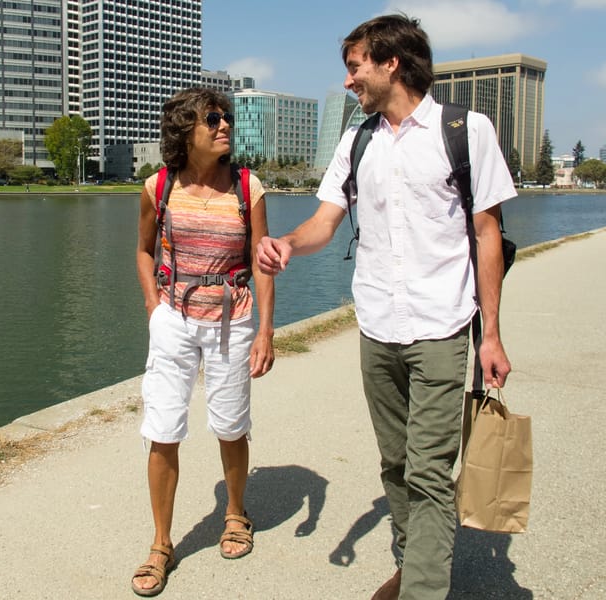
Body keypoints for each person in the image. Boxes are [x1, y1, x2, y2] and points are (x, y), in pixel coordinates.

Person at [256, 14, 515, 600]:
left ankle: (423, 589)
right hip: (376, 326)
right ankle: (412, 558)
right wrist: (288, 244)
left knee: (428, 469)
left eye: (355, 67)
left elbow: (488, 233)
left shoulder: (466, 130)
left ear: (390, 62)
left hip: (442, 327)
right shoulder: (359, 139)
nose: (349, 81)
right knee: (396, 462)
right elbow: (326, 220)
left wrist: (492, 334)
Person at [132, 87, 275, 597]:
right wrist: (154, 307)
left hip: (231, 320)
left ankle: (235, 514)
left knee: (231, 424)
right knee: (163, 427)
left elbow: (262, 262)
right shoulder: (159, 186)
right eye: (211, 119)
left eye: (225, 118)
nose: (224, 126)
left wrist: (265, 330)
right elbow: (144, 251)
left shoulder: (247, 186)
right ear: (184, 130)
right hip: (172, 317)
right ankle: (161, 543)